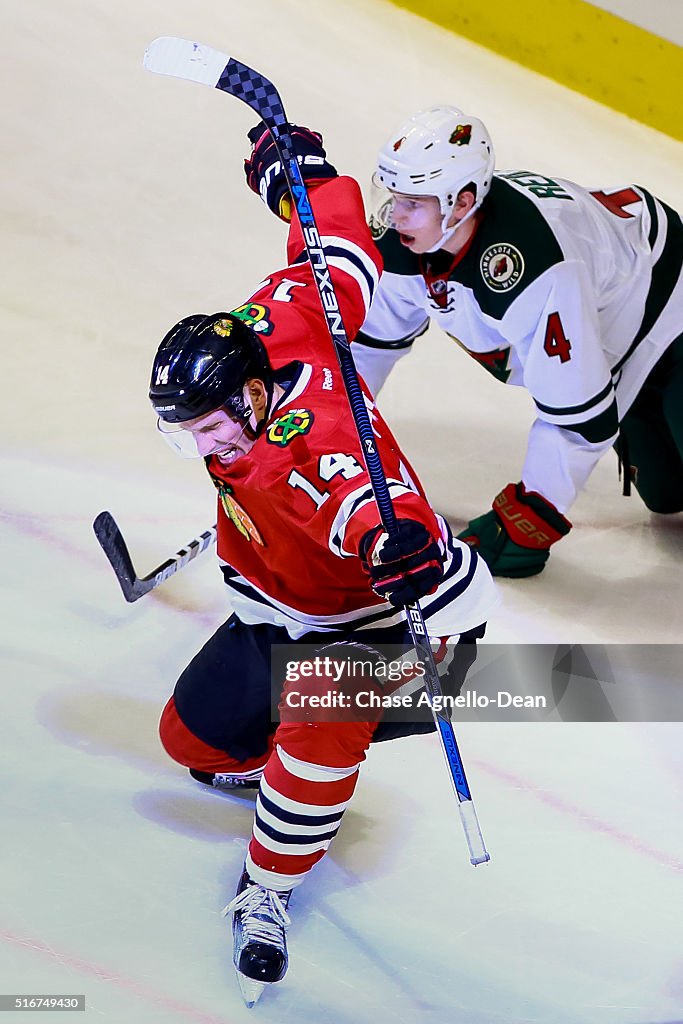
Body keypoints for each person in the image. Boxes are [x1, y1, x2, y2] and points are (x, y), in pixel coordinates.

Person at [148, 123, 497, 1005]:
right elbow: (334, 250)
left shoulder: (319, 455)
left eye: (213, 423)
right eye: (185, 429)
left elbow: (380, 521)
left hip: (390, 625)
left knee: (319, 710)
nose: (204, 444)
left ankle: (268, 887)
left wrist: (400, 551)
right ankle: (308, 770)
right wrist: (302, 178)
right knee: (189, 745)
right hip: (286, 609)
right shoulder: (276, 321)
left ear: (255, 391)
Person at [352, 105, 683, 578]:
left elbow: (580, 420)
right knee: (668, 493)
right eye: (393, 195)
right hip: (616, 332)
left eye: (413, 202)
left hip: (672, 303)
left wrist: (533, 513)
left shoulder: (534, 268)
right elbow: (369, 348)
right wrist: (329, 443)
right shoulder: (407, 243)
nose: (393, 215)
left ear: (461, 203)